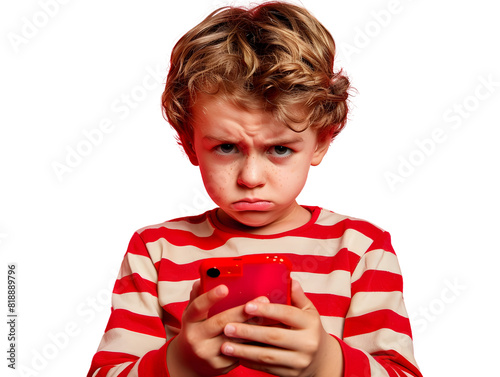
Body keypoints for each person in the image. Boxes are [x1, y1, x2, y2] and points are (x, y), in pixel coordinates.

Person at [87, 2, 422, 376]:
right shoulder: (155, 251)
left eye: (279, 149)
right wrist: (179, 362)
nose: (250, 177)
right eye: (226, 147)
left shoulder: (360, 249)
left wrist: (325, 362)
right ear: (189, 142)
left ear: (322, 141)